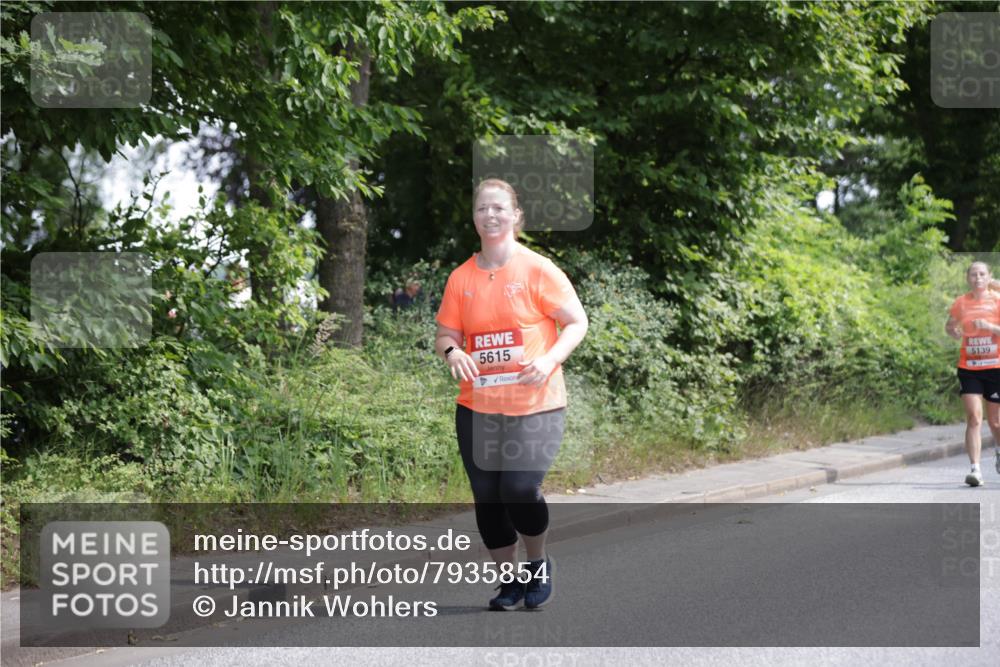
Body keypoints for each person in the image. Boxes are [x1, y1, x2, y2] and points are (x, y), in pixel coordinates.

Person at [435, 178, 588, 610]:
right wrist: (452, 353)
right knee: (487, 496)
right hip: (477, 406)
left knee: (519, 488)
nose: (491, 215)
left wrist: (550, 359)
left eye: (499, 208)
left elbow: (576, 322)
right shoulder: (461, 278)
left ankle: (537, 563)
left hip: (535, 404)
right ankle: (509, 581)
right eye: (483, 208)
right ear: (474, 217)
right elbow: (446, 332)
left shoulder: (538, 269)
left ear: (515, 216)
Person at [945, 262, 1000, 486]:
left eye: (982, 274)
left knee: (995, 422)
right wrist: (953, 332)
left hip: (995, 367)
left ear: (989, 277)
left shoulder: (997, 301)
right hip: (969, 368)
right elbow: (949, 326)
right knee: (974, 417)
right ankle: (975, 470)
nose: (977, 278)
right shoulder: (961, 302)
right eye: (973, 274)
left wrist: (990, 327)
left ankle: (998, 451)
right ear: (967, 278)